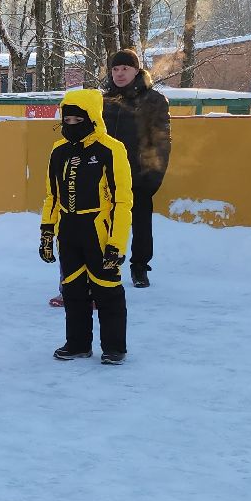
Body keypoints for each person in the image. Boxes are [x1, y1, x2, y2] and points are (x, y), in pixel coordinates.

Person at [41, 88, 133, 365]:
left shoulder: (111, 150)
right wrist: (47, 230)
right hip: (68, 230)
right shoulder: (58, 151)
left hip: (99, 230)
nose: (71, 126)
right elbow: (52, 195)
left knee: (107, 290)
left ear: (92, 118)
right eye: (66, 121)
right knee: (72, 289)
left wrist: (116, 243)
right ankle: (78, 343)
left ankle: (114, 347)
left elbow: (122, 201)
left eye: (77, 120)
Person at [100, 50, 172, 288]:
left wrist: (152, 178)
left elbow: (161, 142)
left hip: (139, 176)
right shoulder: (103, 101)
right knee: (105, 222)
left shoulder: (154, 101)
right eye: (115, 69)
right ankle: (107, 263)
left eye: (125, 69)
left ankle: (140, 267)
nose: (120, 74)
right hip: (106, 176)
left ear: (136, 71)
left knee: (141, 225)